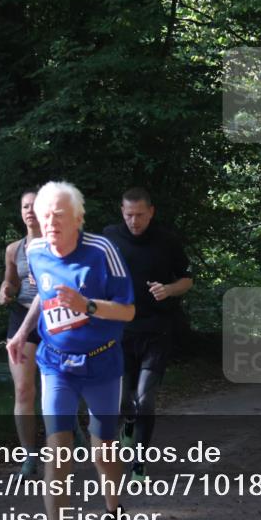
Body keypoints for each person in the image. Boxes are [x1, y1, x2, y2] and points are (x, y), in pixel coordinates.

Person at [7, 181, 135, 520]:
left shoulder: (102, 252)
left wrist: (88, 305)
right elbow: (43, 297)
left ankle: (114, 514)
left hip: (100, 364)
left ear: (78, 219)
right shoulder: (36, 251)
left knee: (103, 452)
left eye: (58, 216)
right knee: (56, 451)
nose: (50, 224)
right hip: (56, 364)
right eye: (45, 216)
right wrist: (22, 332)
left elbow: (128, 312)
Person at [103, 187, 193, 482]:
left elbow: (187, 279)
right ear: (121, 211)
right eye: (129, 215)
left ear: (151, 212)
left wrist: (168, 289)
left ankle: (140, 461)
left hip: (157, 329)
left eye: (140, 215)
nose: (134, 221)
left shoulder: (167, 241)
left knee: (146, 399)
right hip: (121, 330)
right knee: (123, 400)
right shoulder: (110, 238)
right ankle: (128, 421)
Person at [0, 190, 44, 476]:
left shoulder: (58, 244)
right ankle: (29, 456)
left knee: (58, 386)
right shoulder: (14, 249)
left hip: (53, 318)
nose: (29, 211)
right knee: (23, 389)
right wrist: (5, 291)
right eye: (25, 206)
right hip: (21, 317)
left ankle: (71, 429)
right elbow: (10, 282)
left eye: (34, 206)